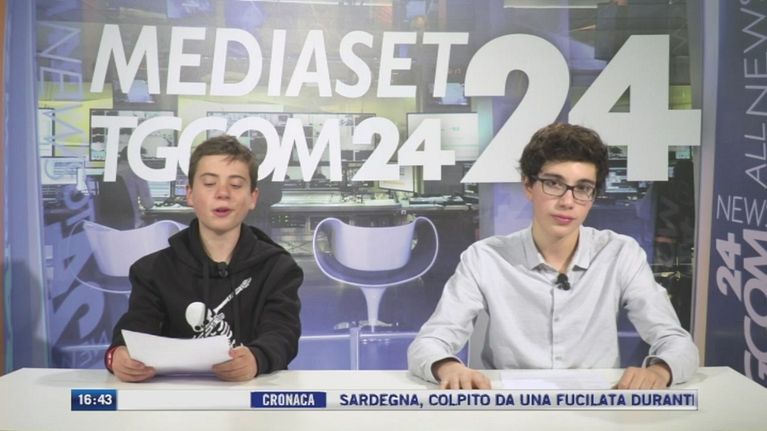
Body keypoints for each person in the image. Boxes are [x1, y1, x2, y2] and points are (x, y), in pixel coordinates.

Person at [407, 123, 698, 390]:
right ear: (528, 186)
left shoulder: (620, 253)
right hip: (511, 411)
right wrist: (448, 366)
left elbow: (677, 342)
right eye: (554, 184)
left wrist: (661, 370)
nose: (568, 202)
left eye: (583, 188)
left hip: (596, 409)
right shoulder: (485, 258)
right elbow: (429, 342)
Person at [104, 135, 303, 382]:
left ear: (253, 197)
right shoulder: (152, 270)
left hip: (253, 395)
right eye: (209, 183)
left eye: (236, 185)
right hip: (175, 397)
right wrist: (119, 356)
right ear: (189, 193)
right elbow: (134, 330)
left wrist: (257, 358)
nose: (222, 193)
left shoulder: (278, 268)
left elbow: (282, 334)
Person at [98, 146, 154, 229]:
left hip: (109, 227)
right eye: (142, 157)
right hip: (132, 225)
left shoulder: (108, 172)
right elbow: (148, 204)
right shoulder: (137, 173)